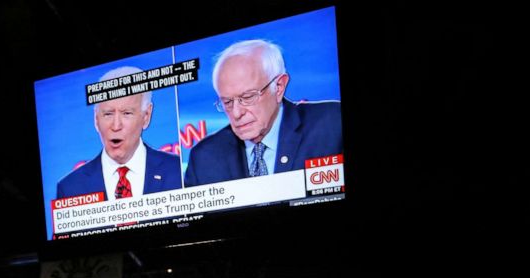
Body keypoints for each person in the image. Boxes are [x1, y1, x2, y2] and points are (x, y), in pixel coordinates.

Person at [184, 39, 343, 187]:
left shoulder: (332, 123)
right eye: (227, 102)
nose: (237, 113)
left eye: (248, 97)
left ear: (279, 87)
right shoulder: (204, 157)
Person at [56, 66, 182, 200]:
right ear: (96, 119)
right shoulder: (70, 189)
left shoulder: (177, 172)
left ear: (146, 116)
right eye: (108, 114)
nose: (116, 126)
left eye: (127, 113)